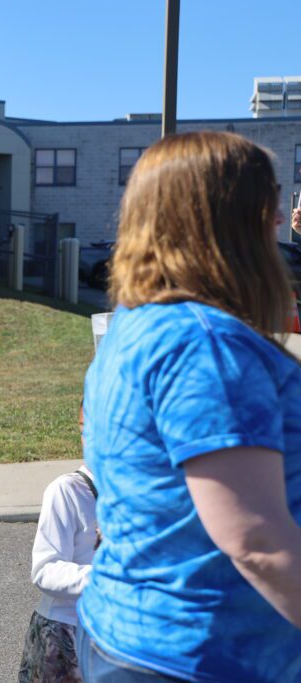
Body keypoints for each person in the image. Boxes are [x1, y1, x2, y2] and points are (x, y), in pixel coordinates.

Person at [79, 132, 301, 682]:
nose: (279, 219)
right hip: (200, 655)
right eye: (269, 198)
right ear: (224, 217)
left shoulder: (139, 325)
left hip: (137, 639)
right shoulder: (207, 344)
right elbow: (255, 539)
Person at [18, 405, 98, 683]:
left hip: (114, 630)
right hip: (66, 630)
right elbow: (45, 569)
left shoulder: (135, 493)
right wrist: (108, 578)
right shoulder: (67, 491)